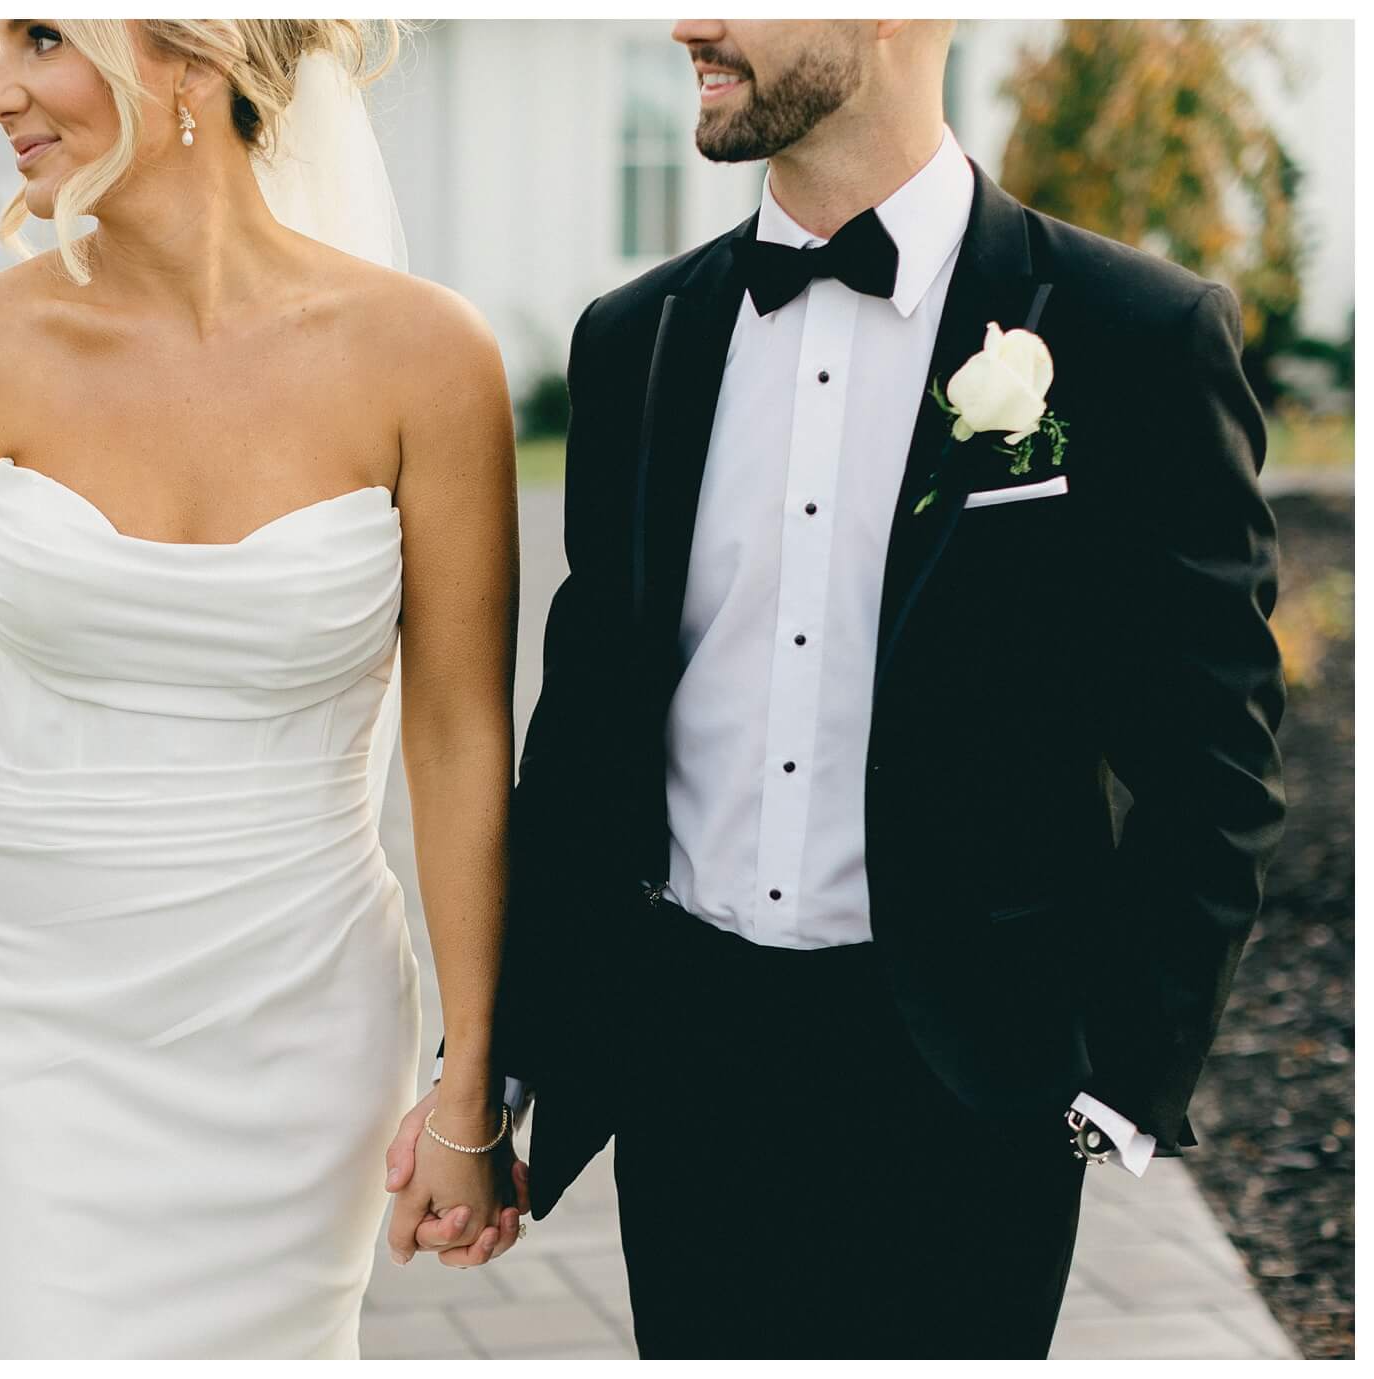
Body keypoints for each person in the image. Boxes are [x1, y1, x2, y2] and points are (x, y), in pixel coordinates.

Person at [385, 18, 1286, 1358]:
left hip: (969, 1078)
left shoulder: (1130, 335)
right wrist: (499, 1072)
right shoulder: (639, 339)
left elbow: (1215, 757)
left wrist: (1117, 1079)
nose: (688, 21)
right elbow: (586, 741)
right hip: (690, 1062)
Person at [0, 19, 521, 1358]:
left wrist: (468, 1081)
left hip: (303, 1017)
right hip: (20, 1016)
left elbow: (460, 729)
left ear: (189, 59)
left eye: (40, 39)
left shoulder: (426, 358)